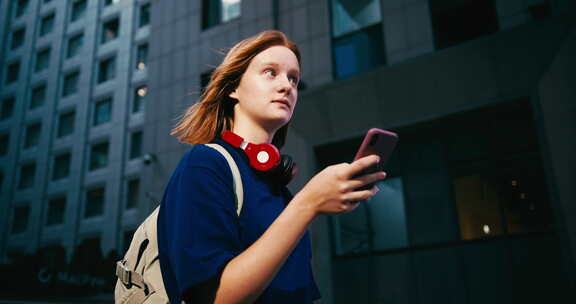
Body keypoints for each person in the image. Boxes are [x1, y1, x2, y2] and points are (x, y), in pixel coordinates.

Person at [157, 30, 387, 304]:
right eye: (270, 72)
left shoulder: (279, 191)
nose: (287, 86)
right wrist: (307, 204)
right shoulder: (206, 163)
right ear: (233, 88)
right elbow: (214, 298)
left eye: (293, 78)